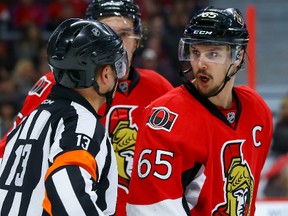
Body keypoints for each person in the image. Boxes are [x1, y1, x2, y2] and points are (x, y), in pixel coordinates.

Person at [0, 1, 174, 215]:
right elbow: (15, 157)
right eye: (107, 32)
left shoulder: (160, 88)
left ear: (138, 40)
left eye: (125, 34)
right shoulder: (58, 88)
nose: (117, 43)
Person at [127, 6, 273, 216]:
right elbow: (149, 207)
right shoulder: (166, 116)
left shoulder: (257, 110)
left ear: (238, 56)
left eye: (213, 53)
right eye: (196, 52)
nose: (201, 64)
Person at [0, 18, 128, 215]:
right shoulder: (80, 123)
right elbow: (66, 191)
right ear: (106, 74)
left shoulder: (31, 119)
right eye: (116, 67)